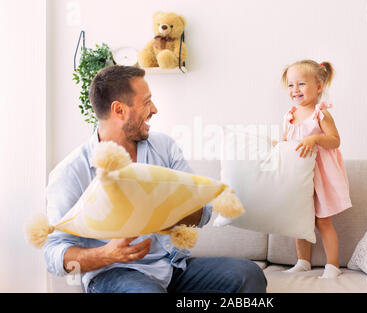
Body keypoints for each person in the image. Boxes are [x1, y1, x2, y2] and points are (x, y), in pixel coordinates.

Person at [43, 65, 267, 293]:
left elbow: (204, 212)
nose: (155, 110)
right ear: (119, 110)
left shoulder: (164, 147)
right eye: (147, 102)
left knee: (248, 275)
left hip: (171, 266)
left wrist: (168, 215)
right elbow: (53, 253)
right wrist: (107, 254)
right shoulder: (70, 172)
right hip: (115, 273)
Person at [280, 60, 352, 279]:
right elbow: (285, 144)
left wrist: (315, 139)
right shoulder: (289, 116)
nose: (295, 90)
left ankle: (332, 265)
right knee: (300, 220)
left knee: (322, 221)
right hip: (300, 177)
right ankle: (303, 261)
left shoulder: (320, 114)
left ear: (318, 87)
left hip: (321, 176)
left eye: (301, 84)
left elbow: (335, 141)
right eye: (291, 85)